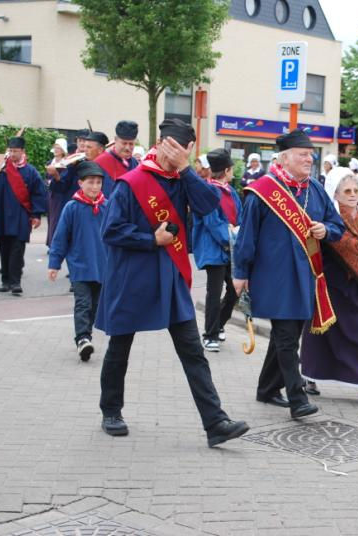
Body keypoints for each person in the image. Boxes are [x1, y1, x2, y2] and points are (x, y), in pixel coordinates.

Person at [96, 118, 249, 447]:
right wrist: (150, 239)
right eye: (170, 147)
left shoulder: (182, 179)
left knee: (193, 350)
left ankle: (215, 422)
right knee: (120, 347)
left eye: (181, 150)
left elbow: (210, 207)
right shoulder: (131, 182)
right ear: (159, 142)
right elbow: (109, 230)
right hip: (132, 276)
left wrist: (185, 170)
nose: (173, 154)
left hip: (171, 277)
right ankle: (111, 410)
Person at [232, 129, 345, 418]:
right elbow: (246, 237)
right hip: (274, 278)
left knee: (289, 335)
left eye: (311, 155)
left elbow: (336, 226)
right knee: (285, 337)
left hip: (306, 275)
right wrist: (240, 272)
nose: (310, 159)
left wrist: (326, 230)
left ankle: (267, 389)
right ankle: (297, 399)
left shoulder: (315, 189)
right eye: (303, 155)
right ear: (284, 158)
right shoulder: (262, 191)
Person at [300, 167, 358, 407]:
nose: (352, 195)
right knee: (320, 334)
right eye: (347, 191)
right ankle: (310, 377)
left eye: (356, 190)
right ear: (335, 193)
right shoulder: (327, 218)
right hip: (331, 286)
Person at [47, 161, 108, 360]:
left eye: (98, 182)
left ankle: (86, 336)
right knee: (83, 303)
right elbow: (61, 237)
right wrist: (54, 263)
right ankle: (82, 338)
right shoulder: (72, 207)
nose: (95, 186)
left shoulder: (107, 207)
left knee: (96, 306)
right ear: (80, 183)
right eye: (90, 182)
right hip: (80, 266)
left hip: (103, 266)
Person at [192, 148, 241, 352]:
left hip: (232, 247)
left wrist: (238, 232)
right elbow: (212, 222)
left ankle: (219, 323)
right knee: (214, 292)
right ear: (227, 170)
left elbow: (241, 215)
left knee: (235, 289)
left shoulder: (231, 191)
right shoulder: (208, 191)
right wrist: (228, 235)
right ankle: (210, 334)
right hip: (215, 248)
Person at [0, 136, 47, 295]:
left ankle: (15, 282)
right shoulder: (0, 170)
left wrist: (36, 214)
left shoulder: (30, 171)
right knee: (4, 248)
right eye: (10, 151)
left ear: (23, 152)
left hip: (21, 216)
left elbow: (38, 193)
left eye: (16, 151)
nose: (13, 154)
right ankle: (5, 280)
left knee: (17, 249)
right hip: (1, 214)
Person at [94, 120, 140, 190]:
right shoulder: (100, 163)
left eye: (131, 144)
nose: (127, 148)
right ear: (115, 140)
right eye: (124, 143)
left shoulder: (135, 163)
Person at [45, 138, 69, 249]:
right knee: (51, 218)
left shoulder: (66, 163)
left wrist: (56, 178)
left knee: (57, 218)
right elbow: (46, 177)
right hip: (51, 193)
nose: (56, 150)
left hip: (60, 194)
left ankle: (56, 244)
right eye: (55, 147)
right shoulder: (50, 162)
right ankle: (50, 242)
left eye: (58, 148)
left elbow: (64, 180)